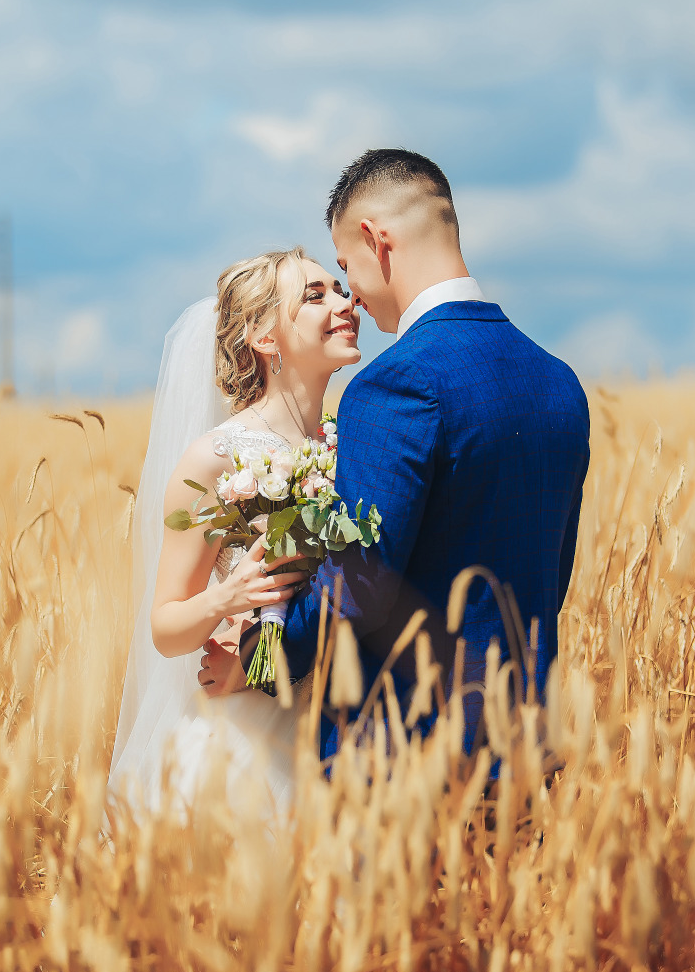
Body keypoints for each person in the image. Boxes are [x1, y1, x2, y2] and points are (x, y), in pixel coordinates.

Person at [203, 149, 590, 764]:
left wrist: (262, 658)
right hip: (526, 753)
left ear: (376, 242)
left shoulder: (396, 386)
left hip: (404, 761)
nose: (351, 296)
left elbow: (360, 585)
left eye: (345, 267)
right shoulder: (558, 383)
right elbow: (551, 575)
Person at [109, 248, 362, 818]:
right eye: (315, 296)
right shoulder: (215, 459)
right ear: (266, 338)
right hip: (244, 746)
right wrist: (229, 597)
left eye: (340, 289)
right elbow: (166, 628)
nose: (345, 304)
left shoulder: (346, 445)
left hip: (331, 723)